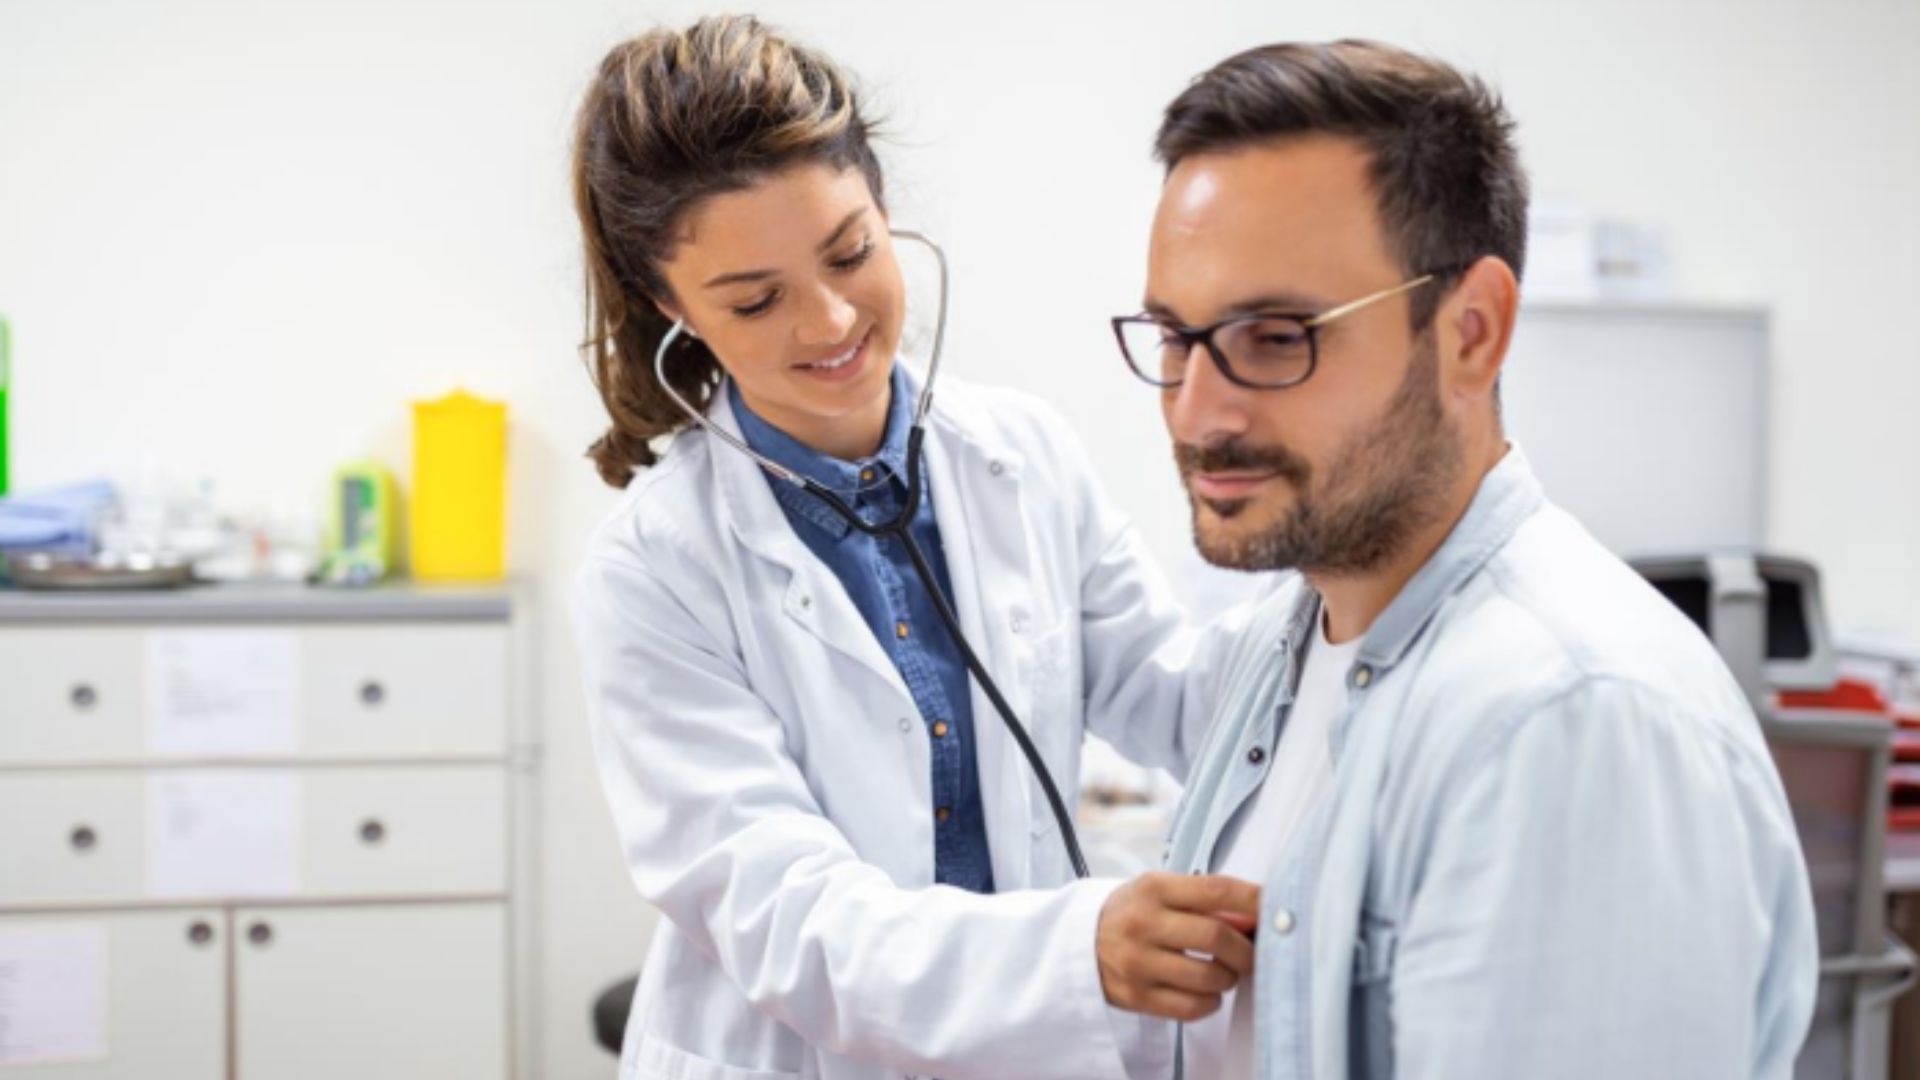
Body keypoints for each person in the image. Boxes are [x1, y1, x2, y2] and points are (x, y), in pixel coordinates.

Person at [1109, 39, 1819, 1079]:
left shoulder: (1567, 721)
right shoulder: (1289, 640)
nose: (1198, 410)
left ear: (1472, 332)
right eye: (1177, 337)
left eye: (1274, 336)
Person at [569, 17, 1257, 1080]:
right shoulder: (652, 571)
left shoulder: (1021, 454)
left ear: (886, 213)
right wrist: (1072, 951)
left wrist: (1352, 594)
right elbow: (787, 915)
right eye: (755, 300)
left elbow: (1175, 694)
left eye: (851, 251)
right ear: (672, 307)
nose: (831, 319)